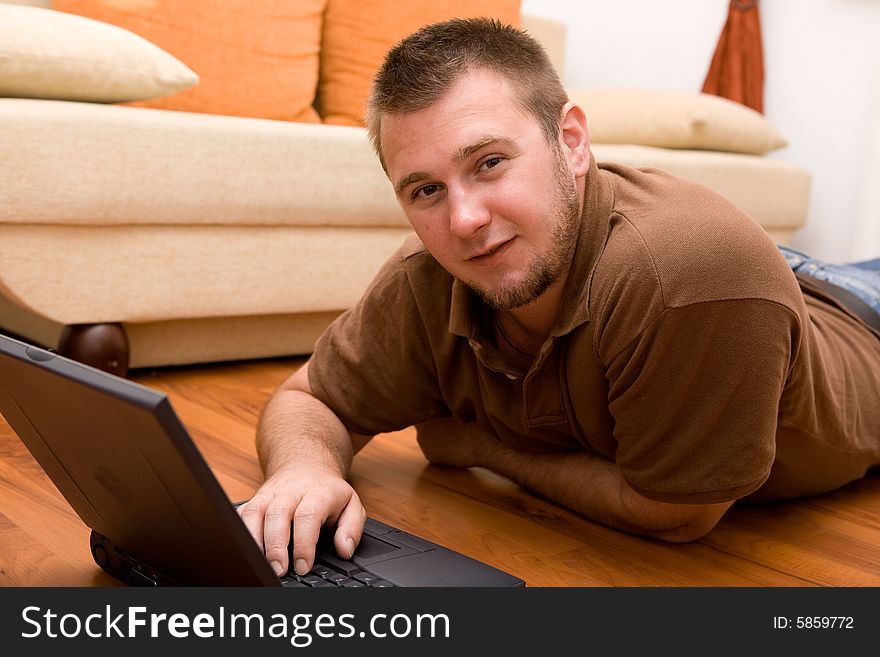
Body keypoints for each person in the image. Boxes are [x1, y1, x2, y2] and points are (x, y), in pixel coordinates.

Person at [237, 18, 880, 578]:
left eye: (489, 162)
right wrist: (302, 471)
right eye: (425, 190)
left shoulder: (691, 276)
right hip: (793, 284)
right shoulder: (425, 277)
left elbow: (678, 512)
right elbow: (310, 398)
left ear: (571, 142)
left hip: (861, 316)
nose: (463, 221)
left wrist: (483, 447)